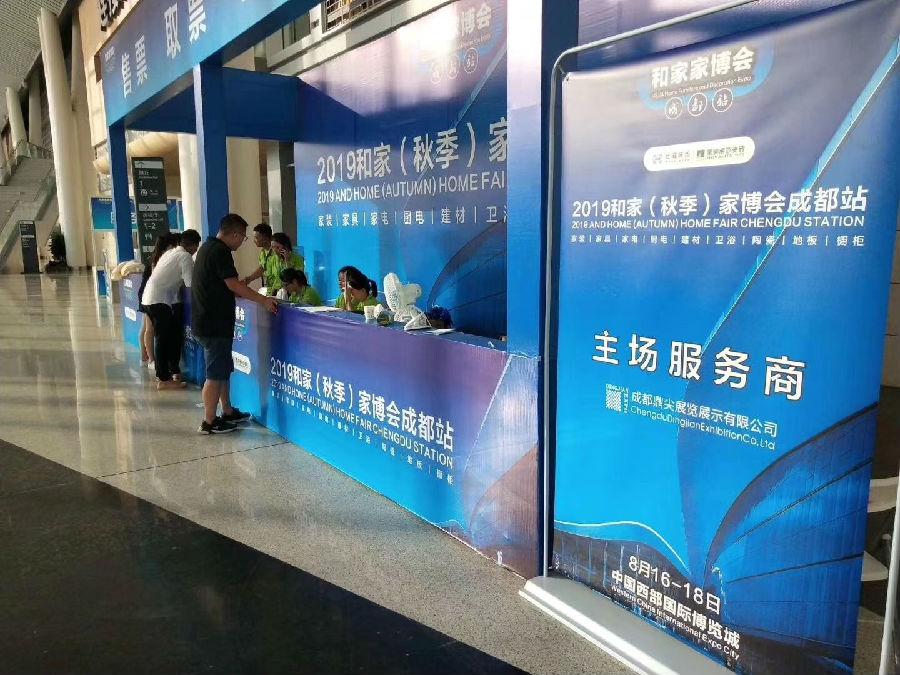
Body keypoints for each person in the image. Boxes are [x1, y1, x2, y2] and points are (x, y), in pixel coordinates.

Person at [192, 214, 278, 434]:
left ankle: (227, 410)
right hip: (213, 324)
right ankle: (209, 422)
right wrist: (263, 300)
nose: (242, 243)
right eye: (244, 238)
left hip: (210, 322)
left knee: (222, 370)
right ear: (235, 235)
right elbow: (233, 285)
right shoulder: (220, 251)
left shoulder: (208, 247)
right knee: (215, 374)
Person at [142, 230, 201, 389]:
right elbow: (190, 284)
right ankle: (163, 379)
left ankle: (166, 375)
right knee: (163, 340)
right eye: (196, 247)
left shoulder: (170, 253)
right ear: (192, 245)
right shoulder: (185, 257)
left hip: (150, 299)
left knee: (163, 338)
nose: (195, 250)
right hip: (159, 301)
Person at [138, 233, 180, 369]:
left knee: (146, 327)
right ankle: (151, 360)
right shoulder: (160, 259)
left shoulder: (157, 257)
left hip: (147, 295)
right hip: (151, 297)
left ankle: (145, 358)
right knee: (149, 328)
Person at [239, 224, 275, 289]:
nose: (254, 241)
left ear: (265, 238)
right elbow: (262, 268)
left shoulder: (276, 252)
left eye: (257, 238)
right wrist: (249, 279)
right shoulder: (263, 252)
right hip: (270, 287)